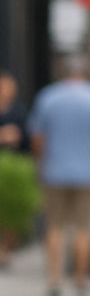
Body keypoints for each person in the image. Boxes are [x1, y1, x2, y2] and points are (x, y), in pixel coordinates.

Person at [28, 55, 90, 296]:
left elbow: (37, 137)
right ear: (86, 73)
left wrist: (41, 162)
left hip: (54, 171)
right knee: (83, 228)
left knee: (54, 226)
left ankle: (54, 279)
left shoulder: (48, 97)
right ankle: (80, 280)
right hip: (87, 172)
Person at [0, 70, 29, 268]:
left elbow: (27, 138)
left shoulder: (18, 111)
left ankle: (6, 249)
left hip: (14, 167)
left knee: (11, 211)